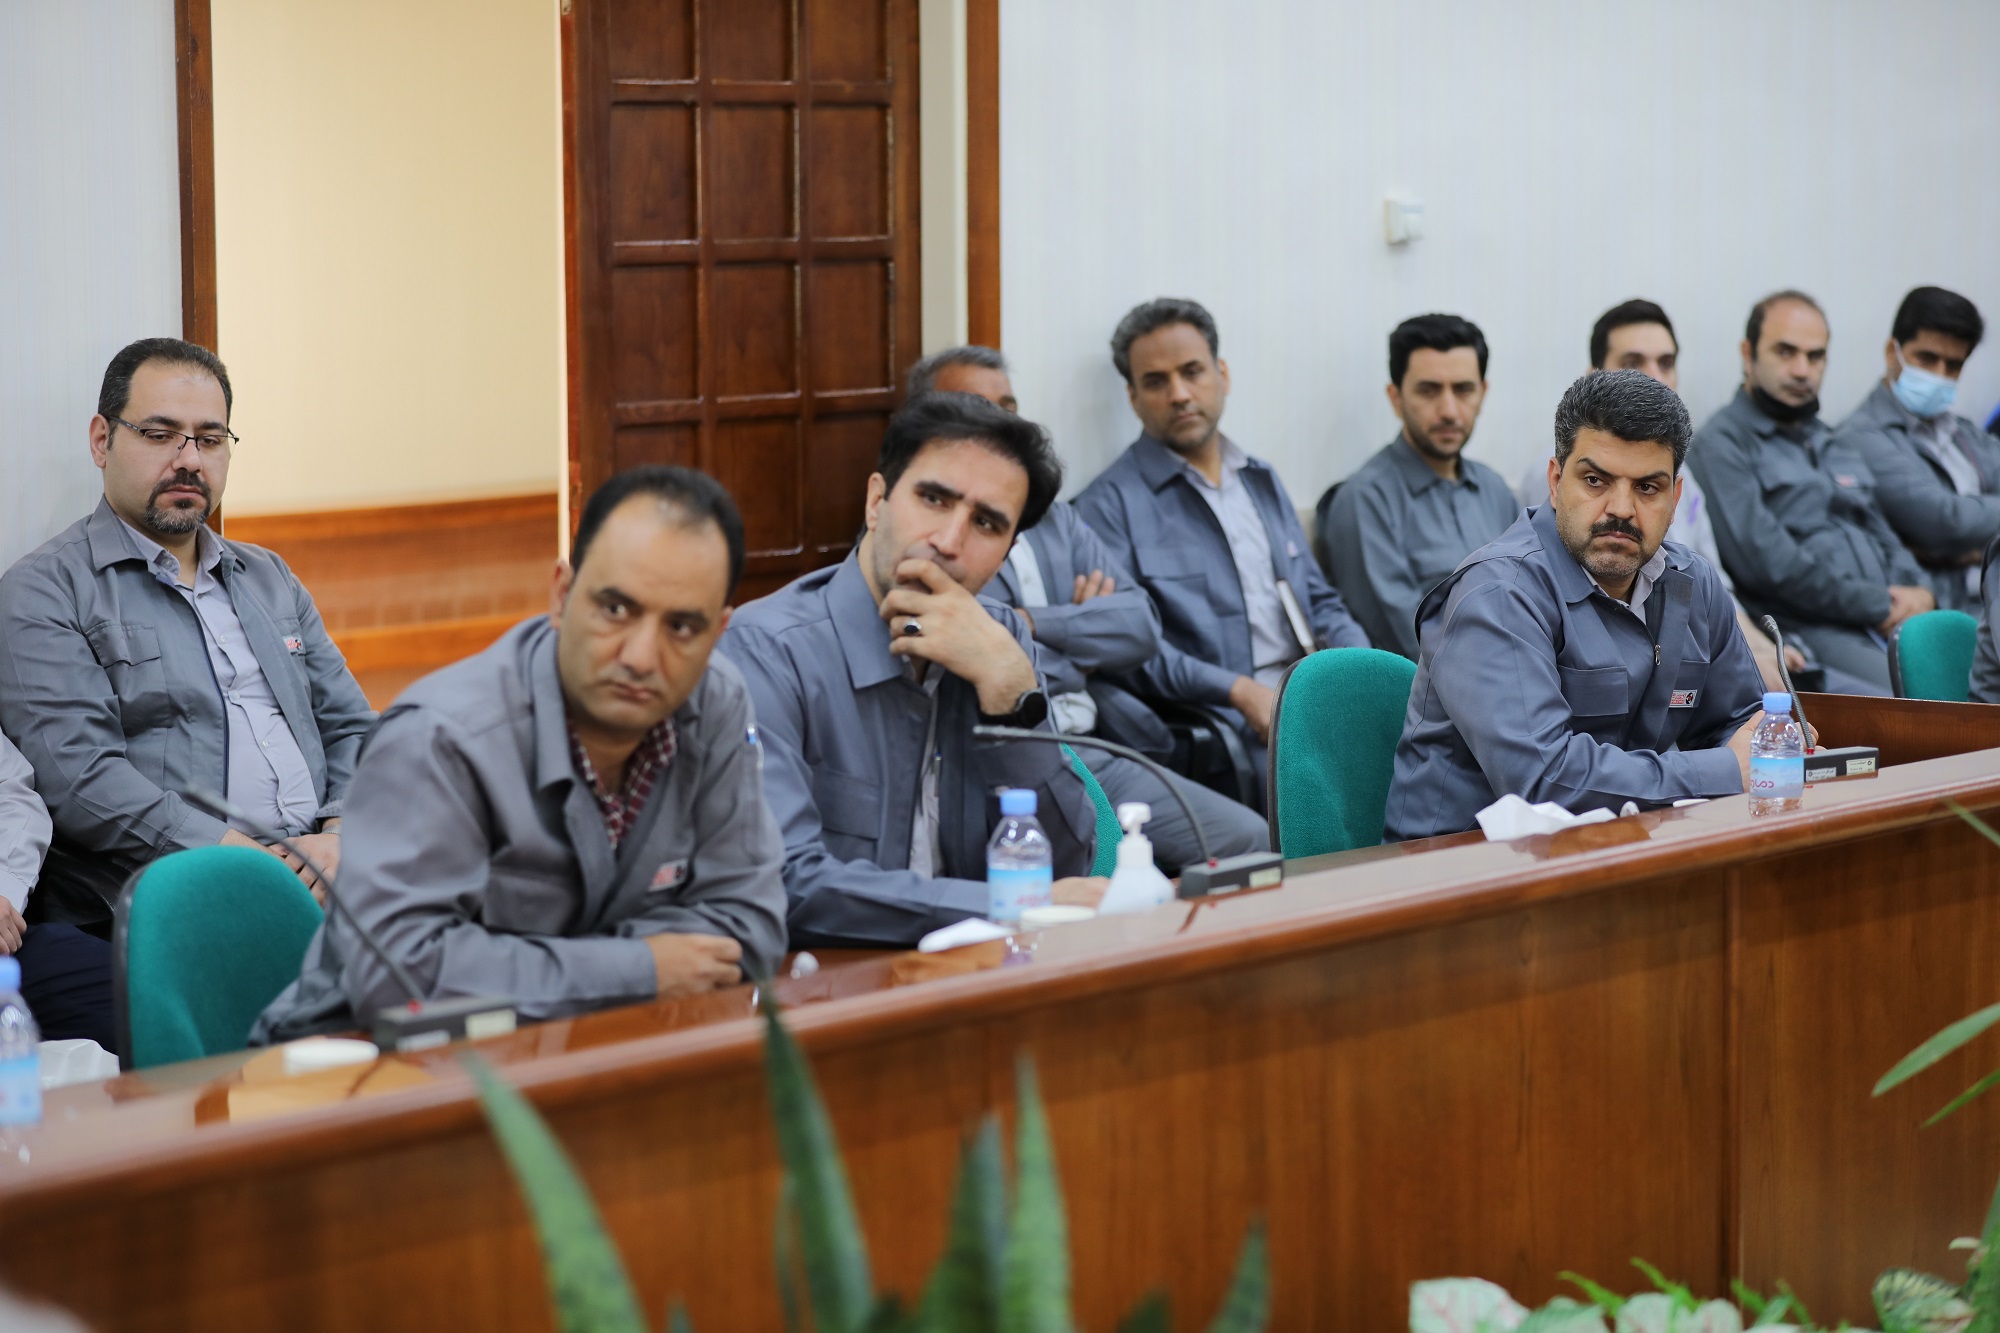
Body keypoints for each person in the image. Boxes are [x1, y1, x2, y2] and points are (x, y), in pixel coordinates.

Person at [255, 467, 787, 1040]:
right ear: (561, 595)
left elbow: (749, 921)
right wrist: (642, 968)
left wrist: (539, 970)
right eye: (615, 610)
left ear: (718, 632)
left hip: (593, 1048)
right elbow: (398, 975)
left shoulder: (715, 701)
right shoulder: (440, 738)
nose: (640, 657)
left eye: (681, 627)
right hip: (363, 1062)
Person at [0, 338, 376, 933]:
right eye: (160, 434)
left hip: (324, 872)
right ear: (101, 440)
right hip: (177, 902)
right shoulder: (45, 589)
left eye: (210, 438)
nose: (190, 460)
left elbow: (352, 727)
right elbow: (81, 779)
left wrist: (340, 833)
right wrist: (246, 861)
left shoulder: (269, 576)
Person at [721, 393, 1102, 949]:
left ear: (1006, 553)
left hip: (985, 973)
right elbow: (787, 883)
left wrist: (1013, 693)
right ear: (876, 501)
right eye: (933, 499)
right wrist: (1010, 906)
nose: (948, 542)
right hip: (828, 983)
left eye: (986, 523)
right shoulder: (766, 650)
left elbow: (1066, 864)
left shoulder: (998, 639)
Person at [907, 346, 1270, 868]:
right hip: (1001, 759)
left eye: (1007, 407)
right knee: (1096, 870)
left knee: (1249, 839)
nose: (1001, 425)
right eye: (976, 408)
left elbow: (1140, 626)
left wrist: (1031, 624)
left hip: (1097, 746)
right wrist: (1084, 646)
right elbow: (970, 655)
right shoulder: (928, 532)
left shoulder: (1057, 518)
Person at [1386, 371, 1766, 842]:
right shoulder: (1498, 595)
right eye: (1595, 481)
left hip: (1621, 848)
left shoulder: (1694, 584)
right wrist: (1723, 770)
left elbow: (1745, 725)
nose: (1621, 508)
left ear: (1675, 499)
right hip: (1467, 866)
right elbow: (1546, 781)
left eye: (1648, 488)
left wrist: (1765, 748)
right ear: (1554, 481)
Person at [1075, 298, 1368, 804]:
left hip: (1309, 696)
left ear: (1222, 374)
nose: (1179, 394)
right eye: (1156, 382)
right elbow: (1130, 651)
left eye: (1192, 372)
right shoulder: (1106, 507)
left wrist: (1360, 669)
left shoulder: (1259, 478)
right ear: (1133, 398)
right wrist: (1239, 691)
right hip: (1225, 724)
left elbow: (1318, 599)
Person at [1687, 291, 1931, 694]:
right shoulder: (1722, 445)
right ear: (1748, 354)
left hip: (1889, 617)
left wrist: (1919, 591)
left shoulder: (1832, 440)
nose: (1802, 370)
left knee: (1969, 678)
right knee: (1916, 700)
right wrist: (1879, 604)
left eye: (1815, 356)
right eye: (1786, 352)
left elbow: (1881, 530)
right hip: (1811, 628)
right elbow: (1768, 566)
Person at [1584, 299, 1816, 693]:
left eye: (1665, 363)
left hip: (1701, 643)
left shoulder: (1682, 475)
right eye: (1634, 362)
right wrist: (1742, 659)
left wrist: (1759, 646)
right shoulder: (1570, 469)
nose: (1653, 377)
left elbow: (1712, 582)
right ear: (1594, 376)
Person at [1324, 314, 1519, 660]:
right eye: (1428, 391)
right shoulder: (1365, 500)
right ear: (1395, 398)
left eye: (1463, 390)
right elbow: (1406, 643)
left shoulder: (1495, 490)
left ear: (1483, 393)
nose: (1449, 411)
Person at [1830, 286, 1999, 613]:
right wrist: (1977, 541)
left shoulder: (1961, 430)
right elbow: (1946, 522)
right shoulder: (1860, 438)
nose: (1939, 374)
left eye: (1953, 365)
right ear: (1892, 352)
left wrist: (1976, 547)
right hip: (1950, 611)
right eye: (1927, 358)